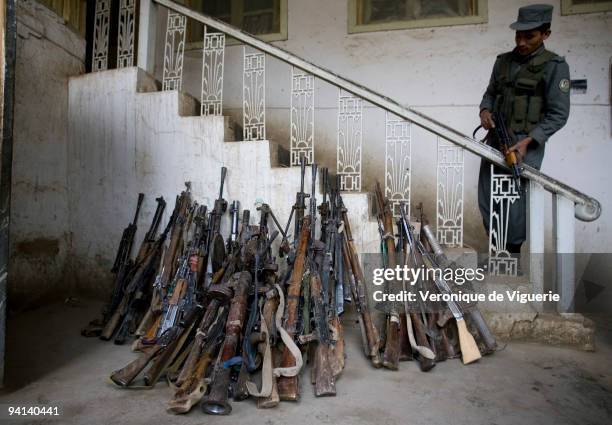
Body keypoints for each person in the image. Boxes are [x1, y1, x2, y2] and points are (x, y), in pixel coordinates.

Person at [478, 4, 570, 255]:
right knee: (489, 202)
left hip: (525, 146)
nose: (521, 42)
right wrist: (485, 112)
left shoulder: (554, 66)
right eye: (518, 35)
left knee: (516, 209)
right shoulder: (503, 62)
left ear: (545, 34)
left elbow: (558, 114)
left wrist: (530, 141)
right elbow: (490, 93)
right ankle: (497, 253)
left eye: (529, 36)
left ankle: (512, 259)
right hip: (496, 141)